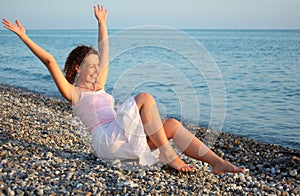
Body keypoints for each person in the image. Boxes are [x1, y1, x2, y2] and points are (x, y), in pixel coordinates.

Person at [2, 4, 246, 174]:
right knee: (144, 97)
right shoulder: (74, 93)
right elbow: (50, 61)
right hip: (106, 140)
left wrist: (102, 23)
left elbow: (105, 49)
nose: (97, 70)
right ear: (77, 67)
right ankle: (169, 155)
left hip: (120, 136)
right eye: (91, 66)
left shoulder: (99, 86)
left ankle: (217, 162)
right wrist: (24, 36)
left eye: (98, 67)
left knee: (170, 124)